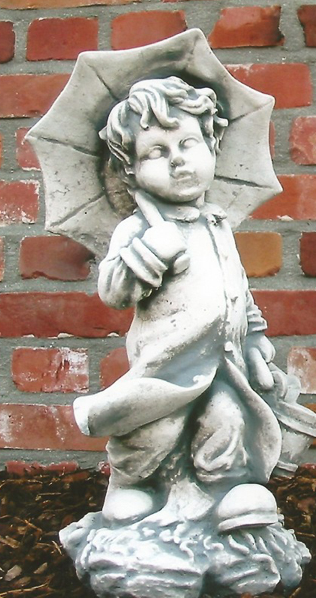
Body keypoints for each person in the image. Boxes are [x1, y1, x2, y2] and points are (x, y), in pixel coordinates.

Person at [73, 77, 282, 529]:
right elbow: (113, 292)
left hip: (221, 356)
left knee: (227, 416)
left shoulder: (216, 224)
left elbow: (235, 286)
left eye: (189, 143)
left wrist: (254, 338)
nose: (178, 160)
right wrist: (151, 252)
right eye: (156, 152)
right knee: (154, 427)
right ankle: (130, 483)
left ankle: (225, 489)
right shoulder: (137, 229)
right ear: (130, 171)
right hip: (167, 360)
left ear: (212, 145)